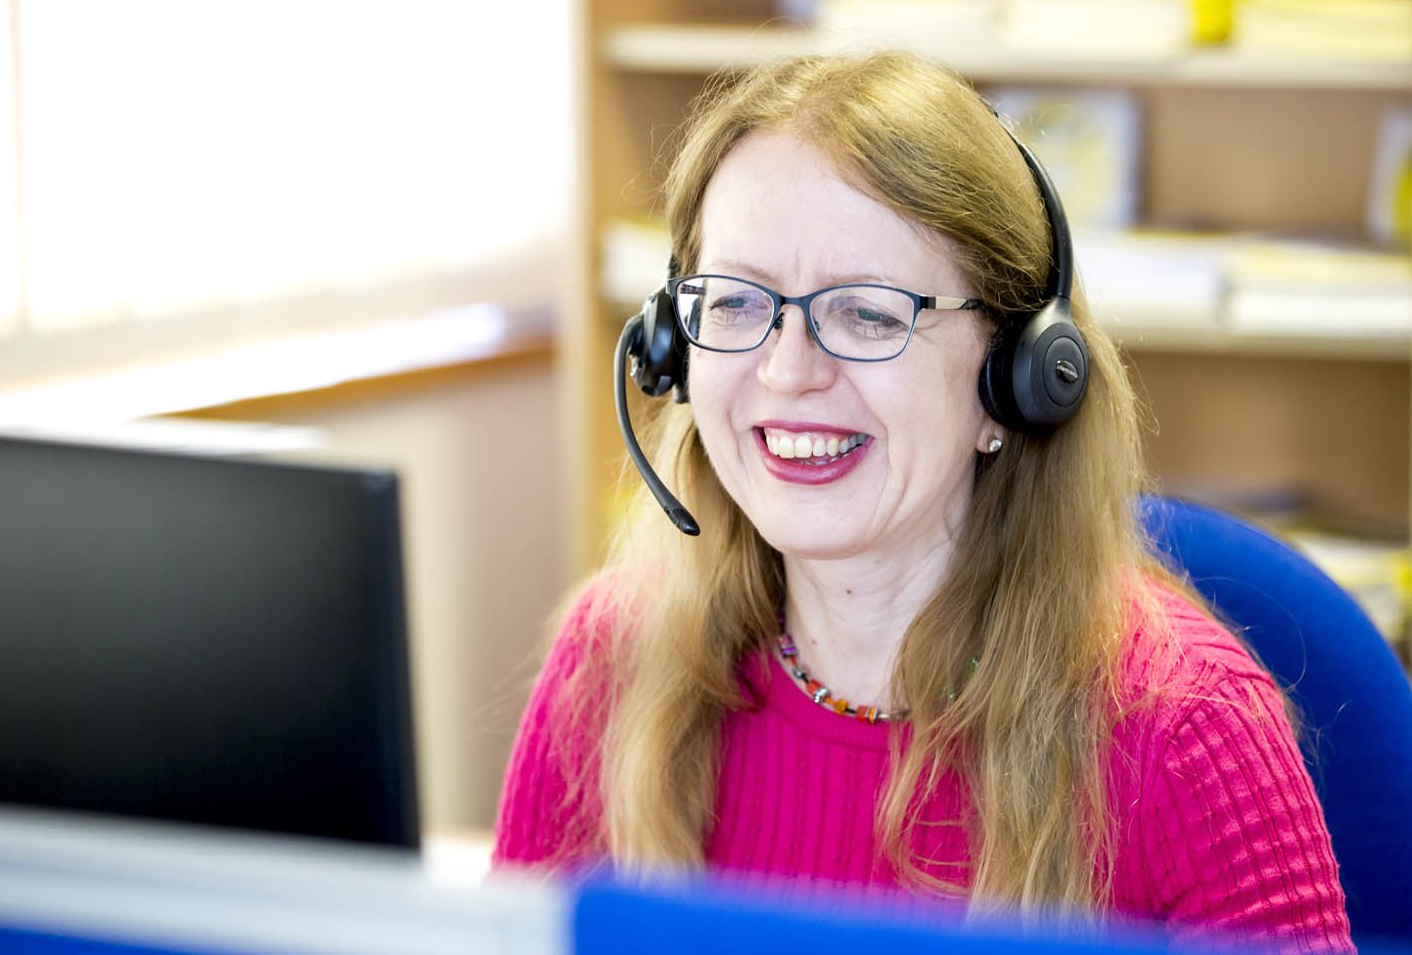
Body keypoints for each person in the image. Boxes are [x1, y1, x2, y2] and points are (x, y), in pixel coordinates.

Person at [493, 51, 1354, 952]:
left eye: (867, 313)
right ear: (674, 346)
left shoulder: (1188, 735)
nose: (787, 372)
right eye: (739, 303)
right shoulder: (616, 660)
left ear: (1014, 377)